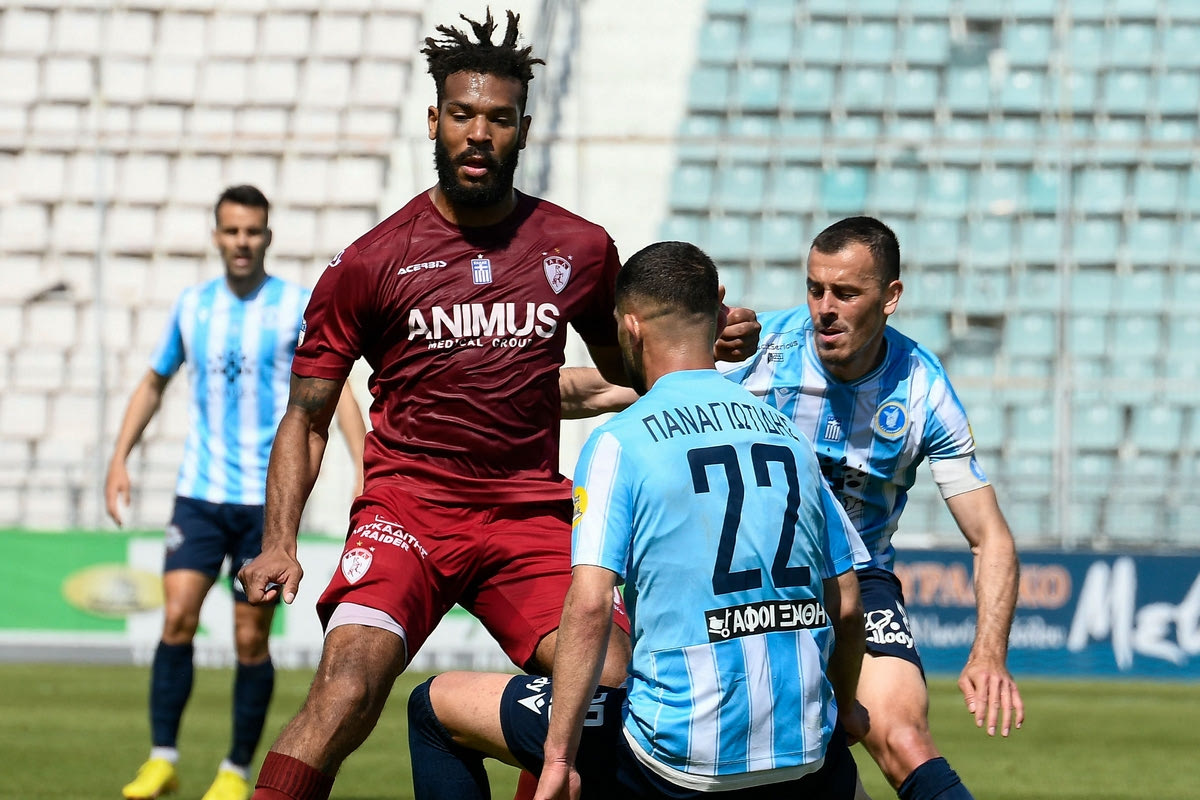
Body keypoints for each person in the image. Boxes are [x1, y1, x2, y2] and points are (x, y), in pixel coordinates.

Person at [234, 12, 759, 800]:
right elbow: (306, 417)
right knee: (345, 689)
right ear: (434, 121)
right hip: (408, 511)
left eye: (499, 118)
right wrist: (279, 541)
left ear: (523, 130)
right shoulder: (370, 263)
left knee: (607, 686)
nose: (478, 133)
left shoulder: (579, 248)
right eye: (462, 114)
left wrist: (704, 342)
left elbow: (634, 372)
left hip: (527, 512)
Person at [562, 217, 1024, 800]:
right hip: (747, 579)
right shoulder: (763, 352)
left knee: (901, 738)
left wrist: (988, 653)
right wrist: (495, 391)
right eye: (815, 289)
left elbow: (990, 536)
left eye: (846, 293)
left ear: (891, 297)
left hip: (857, 579)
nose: (824, 309)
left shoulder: (923, 389)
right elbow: (618, 388)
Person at [406, 239, 869, 800]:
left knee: (433, 708)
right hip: (804, 751)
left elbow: (591, 604)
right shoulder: (788, 436)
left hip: (679, 762)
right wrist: (846, 709)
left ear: (631, 327)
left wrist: (558, 758)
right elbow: (847, 602)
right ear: (714, 316)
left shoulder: (620, 441)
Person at [107, 185, 366, 800]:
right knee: (177, 617)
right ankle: (162, 759)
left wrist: (365, 464)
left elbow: (336, 389)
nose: (242, 241)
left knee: (250, 639)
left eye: (252, 231)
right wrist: (119, 458)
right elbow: (153, 382)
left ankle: (234, 769)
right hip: (199, 493)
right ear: (217, 236)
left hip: (265, 502)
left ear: (267, 236)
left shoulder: (295, 306)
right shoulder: (193, 306)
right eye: (232, 231)